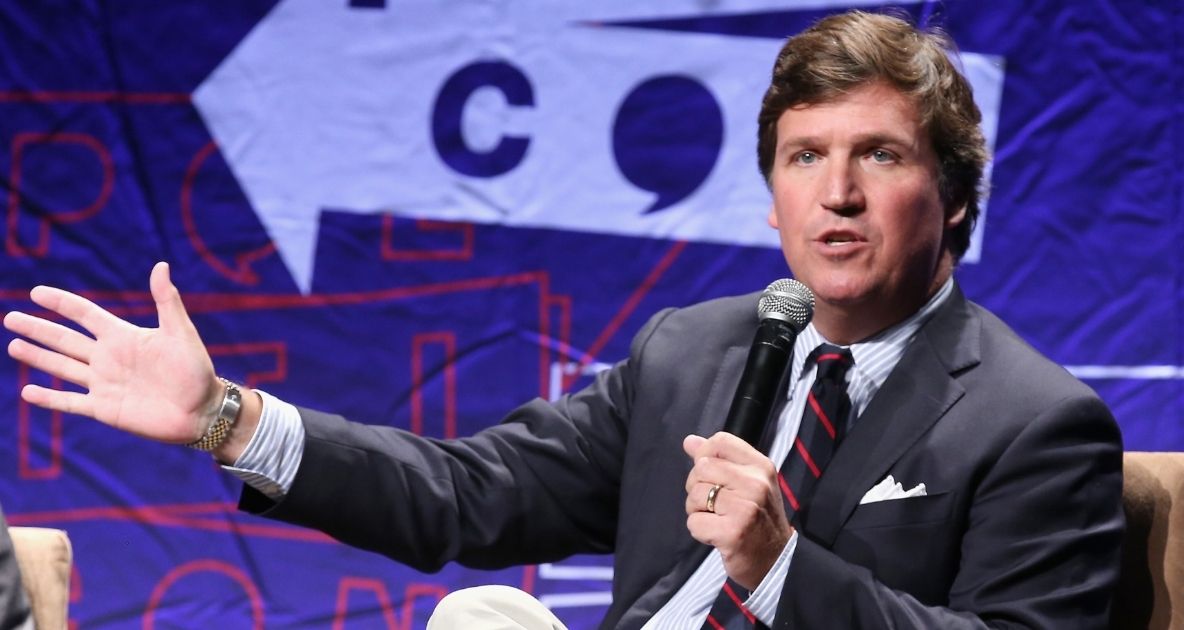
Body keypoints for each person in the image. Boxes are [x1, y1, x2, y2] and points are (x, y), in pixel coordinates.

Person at [3, 10, 1123, 629]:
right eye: (804, 159)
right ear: (773, 195)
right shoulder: (699, 348)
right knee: (486, 618)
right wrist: (230, 421)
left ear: (958, 196)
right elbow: (469, 495)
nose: (835, 193)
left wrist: (780, 568)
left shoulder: (1035, 424)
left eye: (878, 157)